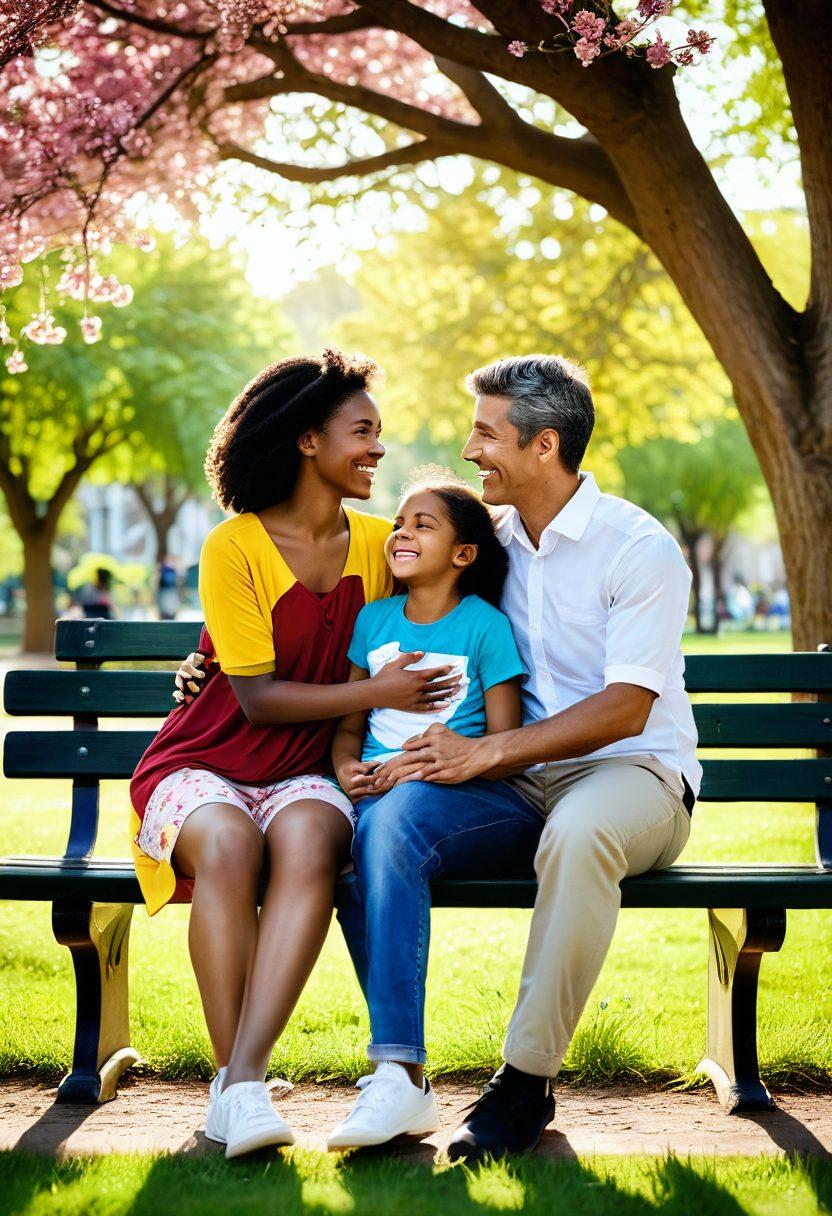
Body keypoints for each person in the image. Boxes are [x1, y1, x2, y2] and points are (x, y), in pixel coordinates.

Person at [129, 350, 459, 1160]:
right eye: (363, 432)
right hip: (200, 762)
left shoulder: (387, 546)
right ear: (308, 441)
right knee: (233, 843)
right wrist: (376, 698)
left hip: (303, 774)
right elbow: (258, 698)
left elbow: (464, 580)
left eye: (379, 433)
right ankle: (238, 1084)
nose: (379, 449)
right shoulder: (234, 545)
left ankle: (237, 1085)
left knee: (315, 839)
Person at [391, 354, 700, 1160]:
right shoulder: (483, 542)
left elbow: (628, 707)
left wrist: (489, 749)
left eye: (486, 434)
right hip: (516, 783)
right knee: (394, 822)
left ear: (544, 445)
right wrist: (211, 658)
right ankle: (395, 1072)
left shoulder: (638, 547)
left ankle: (523, 1084)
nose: (469, 451)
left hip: (634, 778)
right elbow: (369, 559)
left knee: (580, 831)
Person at [325, 473, 542, 1149]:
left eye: (424, 524)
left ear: (464, 553)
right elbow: (350, 726)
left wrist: (422, 766)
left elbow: (503, 749)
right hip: (383, 810)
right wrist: (344, 771)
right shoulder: (374, 621)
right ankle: (404, 1078)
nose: (403, 533)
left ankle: (395, 1070)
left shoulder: (484, 626)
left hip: (477, 806)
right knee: (355, 854)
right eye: (399, 522)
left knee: (397, 814)